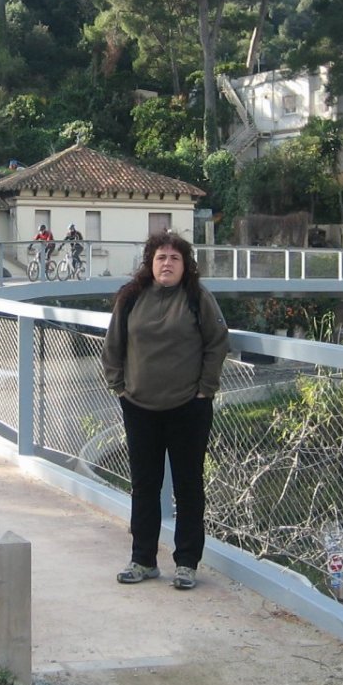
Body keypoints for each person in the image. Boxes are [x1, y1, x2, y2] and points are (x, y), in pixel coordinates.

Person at [101, 231, 229, 591]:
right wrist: (120, 387)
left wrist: (205, 390)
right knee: (144, 485)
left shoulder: (197, 298)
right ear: (150, 263)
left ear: (185, 265)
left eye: (175, 258)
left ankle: (186, 563)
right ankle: (142, 559)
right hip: (139, 407)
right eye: (161, 257)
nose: (167, 264)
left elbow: (218, 343)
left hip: (189, 408)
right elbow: (113, 347)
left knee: (188, 487)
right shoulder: (131, 298)